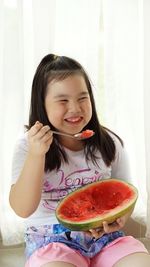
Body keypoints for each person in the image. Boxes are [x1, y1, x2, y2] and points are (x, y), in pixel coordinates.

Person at [9, 54, 150, 267]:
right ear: (42, 104)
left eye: (83, 98)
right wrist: (37, 154)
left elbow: (126, 193)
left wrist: (119, 218)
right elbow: (22, 209)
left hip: (107, 240)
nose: (75, 108)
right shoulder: (27, 146)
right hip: (51, 243)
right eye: (63, 100)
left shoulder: (109, 143)